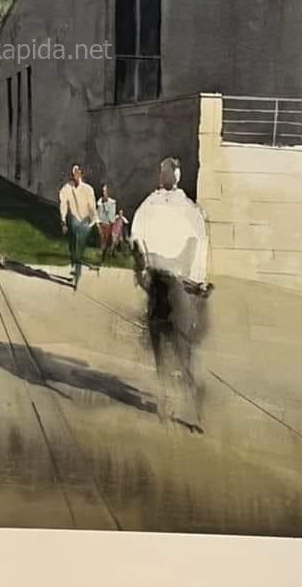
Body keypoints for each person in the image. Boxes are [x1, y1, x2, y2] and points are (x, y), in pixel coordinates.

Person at [131, 156, 211, 430]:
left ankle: (184, 404)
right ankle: (174, 403)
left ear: (165, 176)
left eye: (164, 173)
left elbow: (137, 244)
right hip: (168, 284)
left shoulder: (161, 207)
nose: (163, 177)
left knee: (170, 346)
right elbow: (138, 244)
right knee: (172, 346)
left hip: (169, 285)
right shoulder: (186, 209)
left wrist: (143, 271)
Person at [59, 164, 98, 290]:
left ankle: (77, 272)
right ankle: (74, 261)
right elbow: (63, 205)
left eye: (77, 173)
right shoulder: (66, 188)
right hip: (73, 218)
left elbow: (92, 207)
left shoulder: (88, 189)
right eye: (73, 173)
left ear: (81, 174)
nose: (75, 175)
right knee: (73, 245)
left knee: (79, 246)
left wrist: (95, 221)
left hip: (85, 220)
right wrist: (63, 221)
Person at [96, 184, 117, 265]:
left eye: (105, 191)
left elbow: (111, 216)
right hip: (101, 223)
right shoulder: (99, 202)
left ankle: (103, 256)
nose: (103, 192)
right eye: (103, 191)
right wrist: (98, 224)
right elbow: (98, 213)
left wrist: (105, 205)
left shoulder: (112, 203)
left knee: (106, 241)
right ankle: (101, 256)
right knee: (102, 239)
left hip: (108, 224)